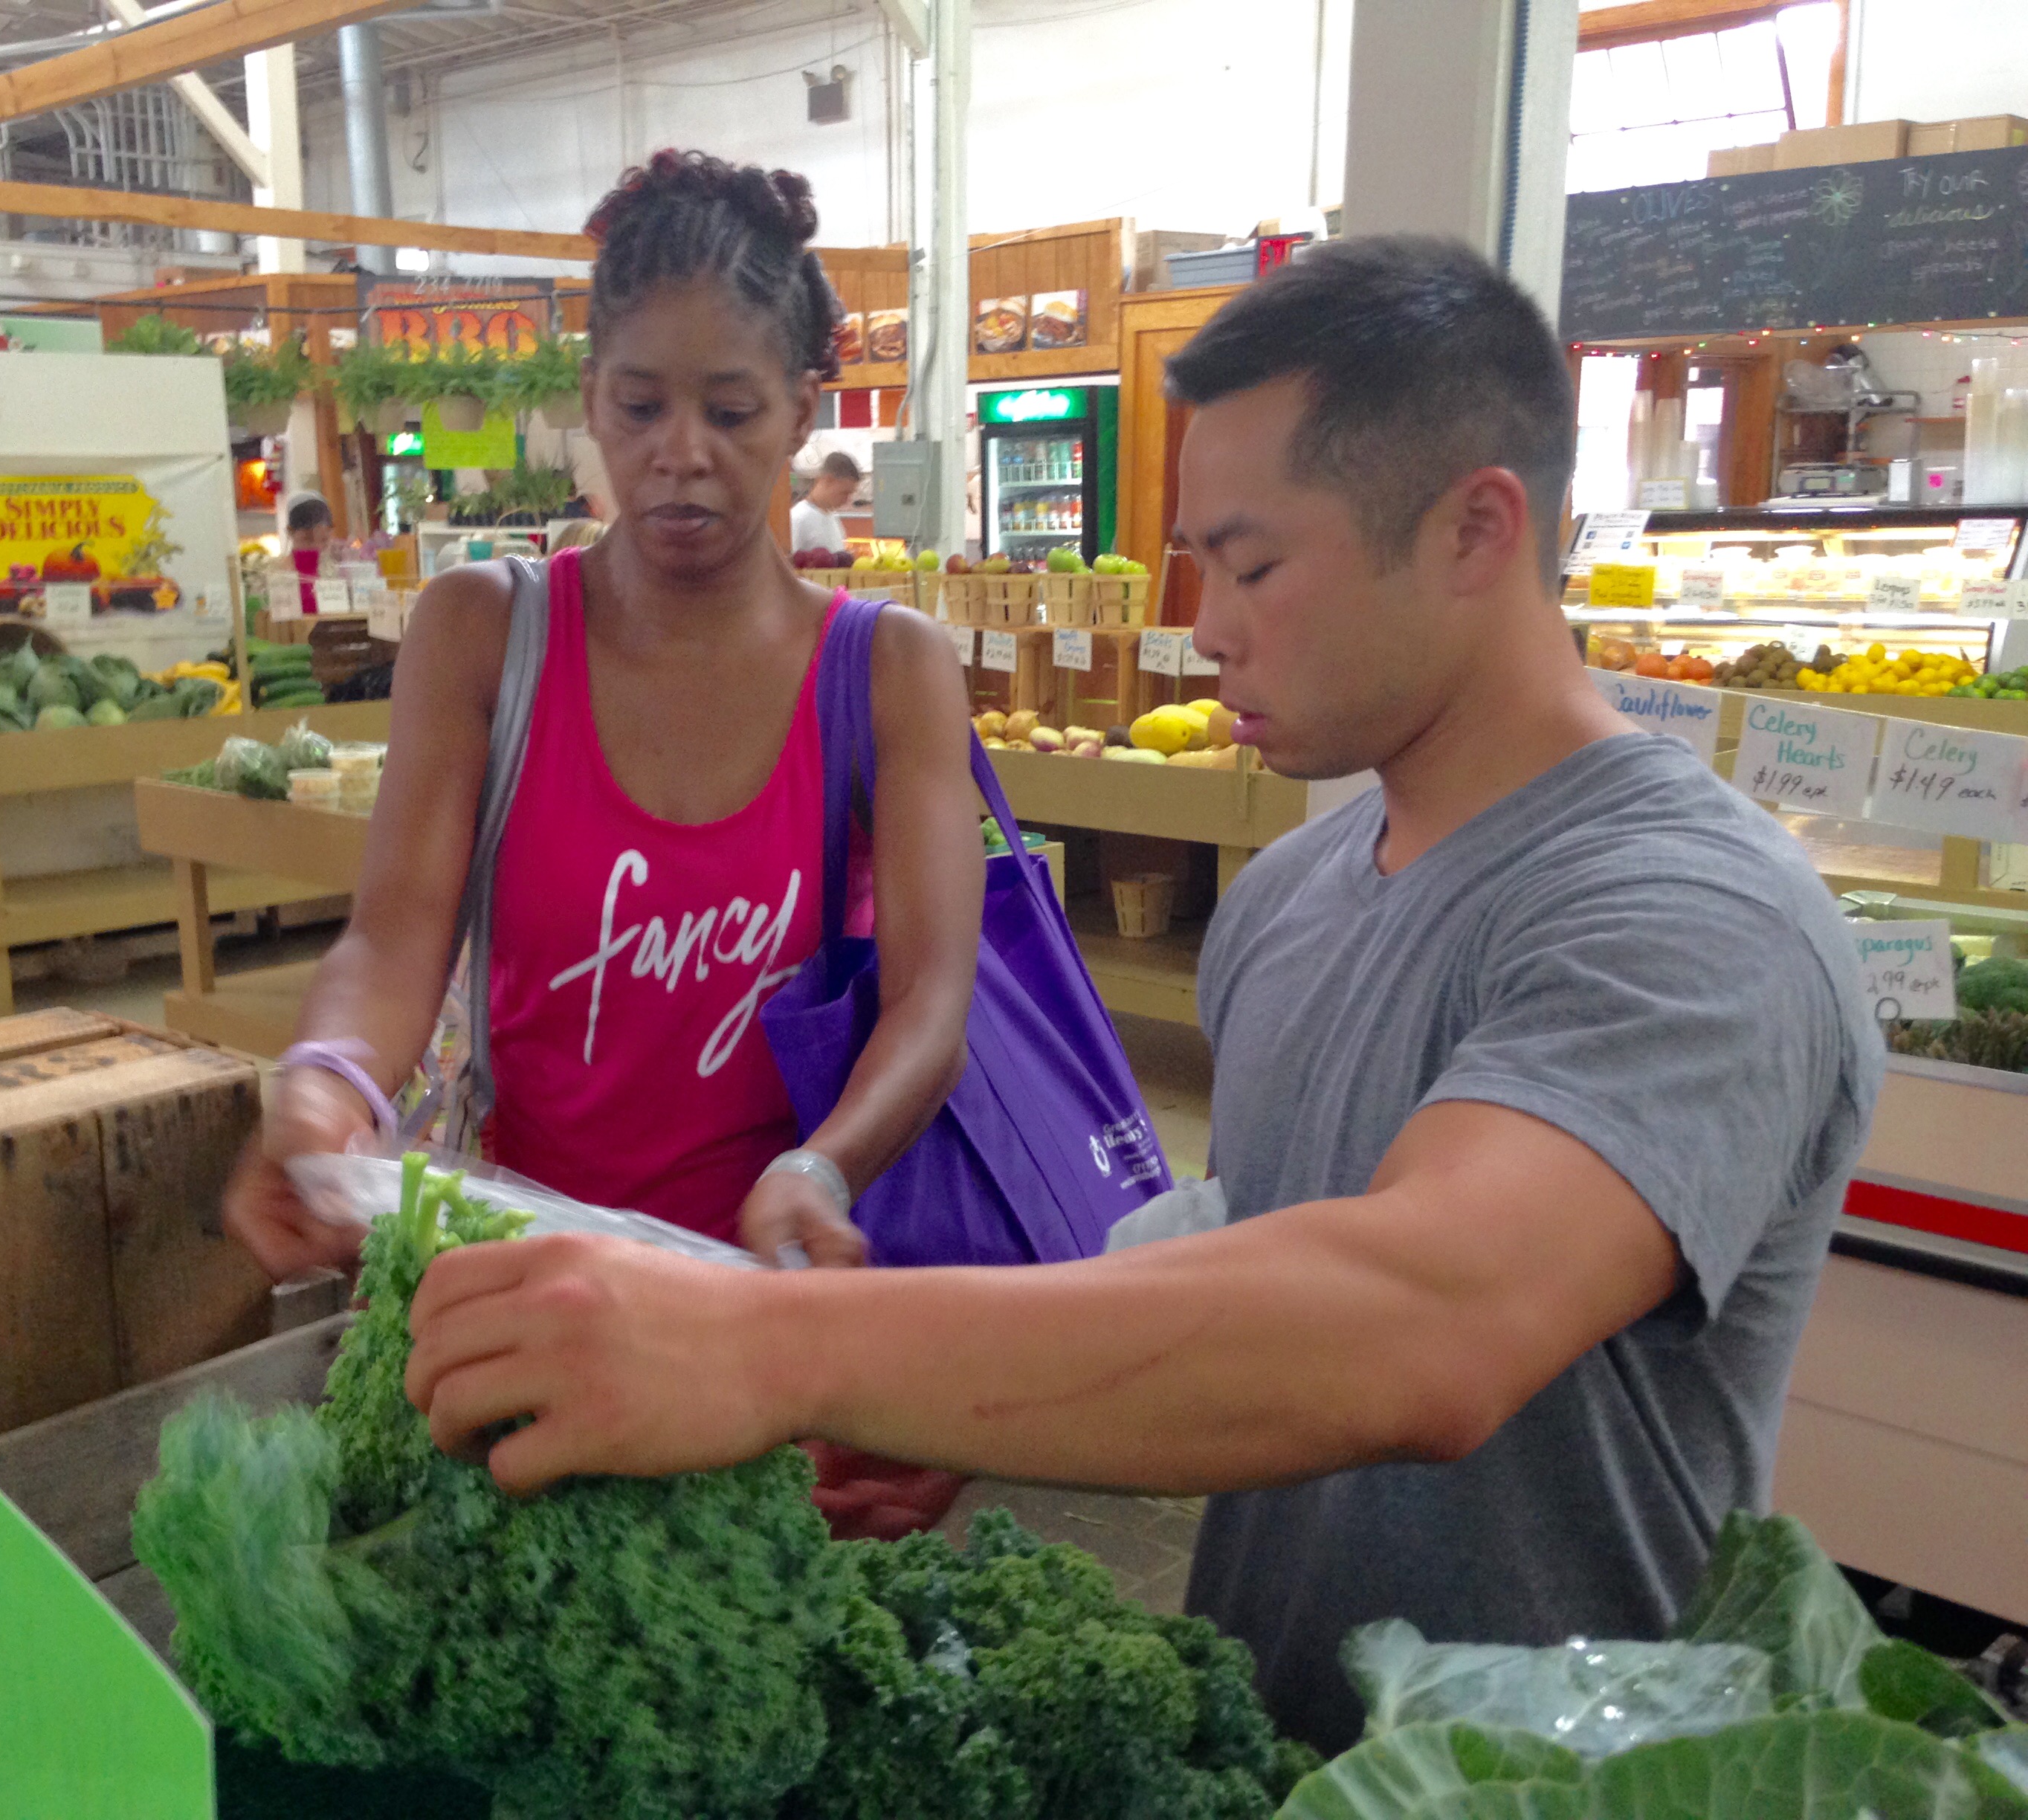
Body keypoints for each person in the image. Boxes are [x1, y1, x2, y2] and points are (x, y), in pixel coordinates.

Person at [398, 237, 1883, 1751]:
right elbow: (1252, 1243)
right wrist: (959, 1408)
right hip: (1276, 1751)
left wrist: (755, 1350)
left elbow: (1422, 1323)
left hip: (1571, 1781)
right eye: (1196, 567)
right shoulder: (1293, 904)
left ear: (1474, 531)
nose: (1208, 623)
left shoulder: (1694, 917)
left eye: (1252, 566)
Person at [224, 149, 983, 1285]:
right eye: (639, 407)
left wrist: (823, 1168)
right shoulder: (485, 635)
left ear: (797, 415)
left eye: (732, 411)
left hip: (772, 1297)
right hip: (523, 1273)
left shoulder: (885, 672)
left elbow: (931, 1002)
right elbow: (392, 939)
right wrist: (327, 1079)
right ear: (590, 402)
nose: (681, 452)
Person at [789, 450, 859, 553]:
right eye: (844, 493)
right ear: (828, 480)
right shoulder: (798, 519)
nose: (847, 501)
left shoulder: (832, 517)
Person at [285, 493, 334, 614]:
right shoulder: (277, 573)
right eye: (307, 540)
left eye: (324, 540)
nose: (317, 548)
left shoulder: (336, 571)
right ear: (290, 532)